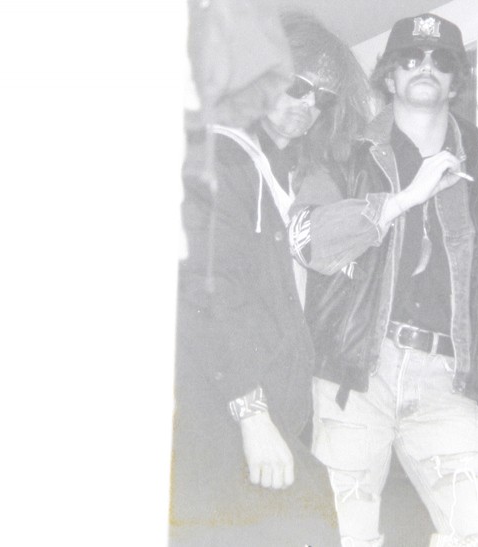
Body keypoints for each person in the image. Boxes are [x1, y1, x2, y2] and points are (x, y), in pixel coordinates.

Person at [289, 13, 478, 547]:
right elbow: (309, 242)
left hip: (448, 382)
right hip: (354, 376)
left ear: (455, 80)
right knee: (341, 537)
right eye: (410, 57)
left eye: (441, 59)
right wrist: (403, 200)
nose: (425, 66)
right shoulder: (342, 156)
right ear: (390, 75)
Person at [170, 10, 370, 547]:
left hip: (268, 418)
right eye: (298, 85)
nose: (308, 104)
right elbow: (205, 293)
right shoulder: (222, 158)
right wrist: (252, 415)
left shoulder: (280, 175)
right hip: (225, 417)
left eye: (322, 98)